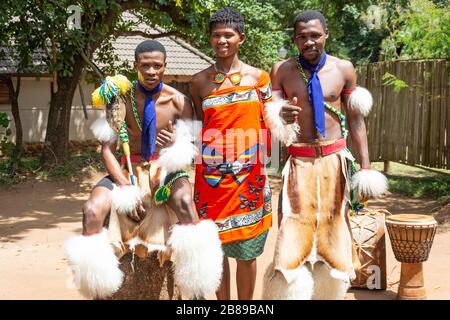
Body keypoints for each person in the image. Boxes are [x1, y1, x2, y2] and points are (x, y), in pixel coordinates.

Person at [65, 40, 223, 300]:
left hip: (166, 168)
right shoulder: (120, 100)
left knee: (185, 204)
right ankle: (99, 286)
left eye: (157, 66)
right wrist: (125, 186)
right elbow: (107, 151)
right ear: (135, 66)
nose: (151, 71)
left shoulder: (178, 101)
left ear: (165, 67)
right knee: (92, 210)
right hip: (127, 171)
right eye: (145, 65)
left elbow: (189, 147)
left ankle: (197, 288)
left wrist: (174, 145)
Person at [263, 10, 387, 299]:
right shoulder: (281, 70)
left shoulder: (344, 69)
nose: (309, 42)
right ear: (295, 39)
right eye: (302, 37)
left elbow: (356, 120)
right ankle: (291, 292)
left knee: (334, 225)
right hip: (298, 162)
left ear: (326, 35)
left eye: (315, 35)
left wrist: (366, 170)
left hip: (335, 161)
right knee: (292, 228)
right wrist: (280, 115)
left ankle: (329, 293)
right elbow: (269, 118)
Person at [190, 7, 273, 300]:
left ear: (242, 37)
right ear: (210, 39)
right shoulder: (198, 82)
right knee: (216, 250)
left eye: (228, 34)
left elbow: (272, 123)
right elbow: (199, 130)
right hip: (211, 180)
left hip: (249, 177)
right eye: (216, 35)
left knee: (247, 252)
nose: (222, 40)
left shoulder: (259, 79)